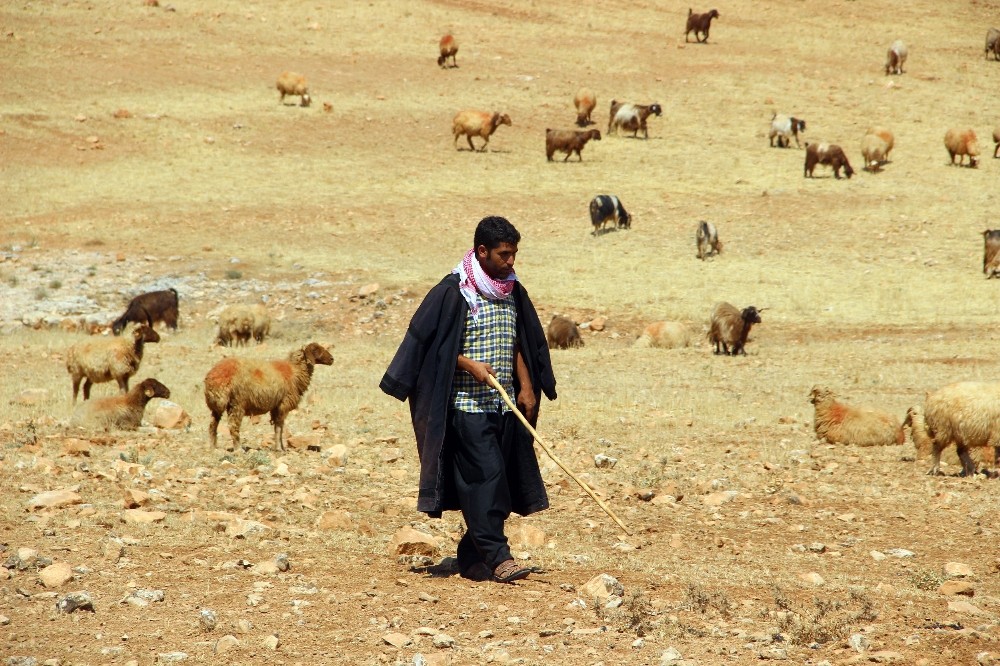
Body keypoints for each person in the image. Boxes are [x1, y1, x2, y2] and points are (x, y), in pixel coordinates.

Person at [380, 216, 557, 583]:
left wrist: (526, 386)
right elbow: (431, 349)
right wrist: (467, 364)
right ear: (482, 251)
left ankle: (473, 559)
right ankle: (499, 556)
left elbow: (519, 341)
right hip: (465, 406)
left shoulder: (512, 290)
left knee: (502, 481)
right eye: (504, 254)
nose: (511, 262)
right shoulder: (453, 291)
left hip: (504, 404)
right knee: (486, 479)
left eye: (514, 254)